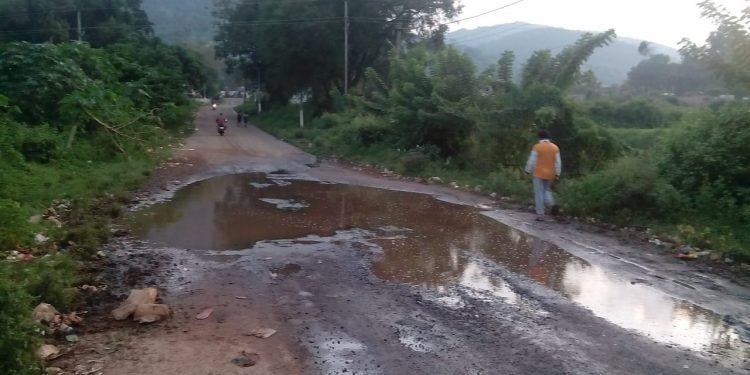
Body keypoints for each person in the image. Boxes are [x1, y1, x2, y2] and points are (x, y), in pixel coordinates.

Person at [524, 129, 561, 221]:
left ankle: (541, 214)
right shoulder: (555, 148)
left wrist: (527, 171)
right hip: (550, 174)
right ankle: (552, 204)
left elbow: (532, 160)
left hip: (538, 174)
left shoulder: (537, 147)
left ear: (540, 137)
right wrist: (557, 174)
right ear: (549, 138)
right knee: (546, 191)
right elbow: (558, 163)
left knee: (539, 193)